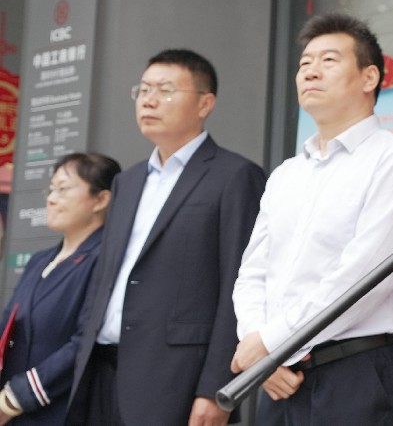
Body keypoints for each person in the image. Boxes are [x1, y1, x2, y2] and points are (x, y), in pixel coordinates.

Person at [232, 13, 393, 426]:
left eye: (328, 60)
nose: (310, 72)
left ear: (369, 77)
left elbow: (363, 279)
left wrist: (270, 343)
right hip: (279, 377)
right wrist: (260, 346)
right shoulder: (287, 174)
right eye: (304, 63)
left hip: (356, 373)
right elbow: (253, 272)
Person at [67, 49, 265, 426]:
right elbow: (106, 279)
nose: (149, 100)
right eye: (143, 90)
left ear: (205, 103)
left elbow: (239, 288)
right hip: (101, 373)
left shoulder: (235, 176)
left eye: (166, 90)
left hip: (175, 381)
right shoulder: (127, 182)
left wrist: (217, 388)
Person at [0, 153, 119, 425]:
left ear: (101, 199)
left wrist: (16, 397)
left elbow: (85, 343)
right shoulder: (39, 261)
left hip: (62, 411)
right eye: (51, 189)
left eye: (63, 189)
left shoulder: (104, 258)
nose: (51, 199)